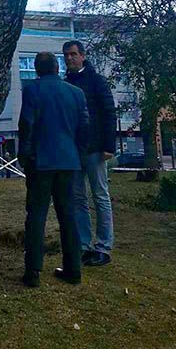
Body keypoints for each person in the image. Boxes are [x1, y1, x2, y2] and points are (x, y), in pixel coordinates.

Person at [18, 52, 89, 286]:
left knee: (37, 215)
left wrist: (25, 156)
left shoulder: (32, 91)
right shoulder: (76, 94)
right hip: (68, 162)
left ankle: (33, 271)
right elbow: (84, 130)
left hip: (41, 162)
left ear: (37, 69)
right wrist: (77, 157)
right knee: (68, 216)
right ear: (57, 68)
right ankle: (73, 268)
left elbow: (27, 124)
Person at [63, 40, 117, 267]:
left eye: (73, 54)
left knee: (100, 196)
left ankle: (103, 247)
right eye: (66, 55)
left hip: (95, 149)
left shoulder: (96, 81)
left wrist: (109, 146)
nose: (69, 58)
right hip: (74, 151)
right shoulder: (66, 83)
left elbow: (108, 112)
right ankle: (84, 245)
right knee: (78, 200)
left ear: (83, 56)